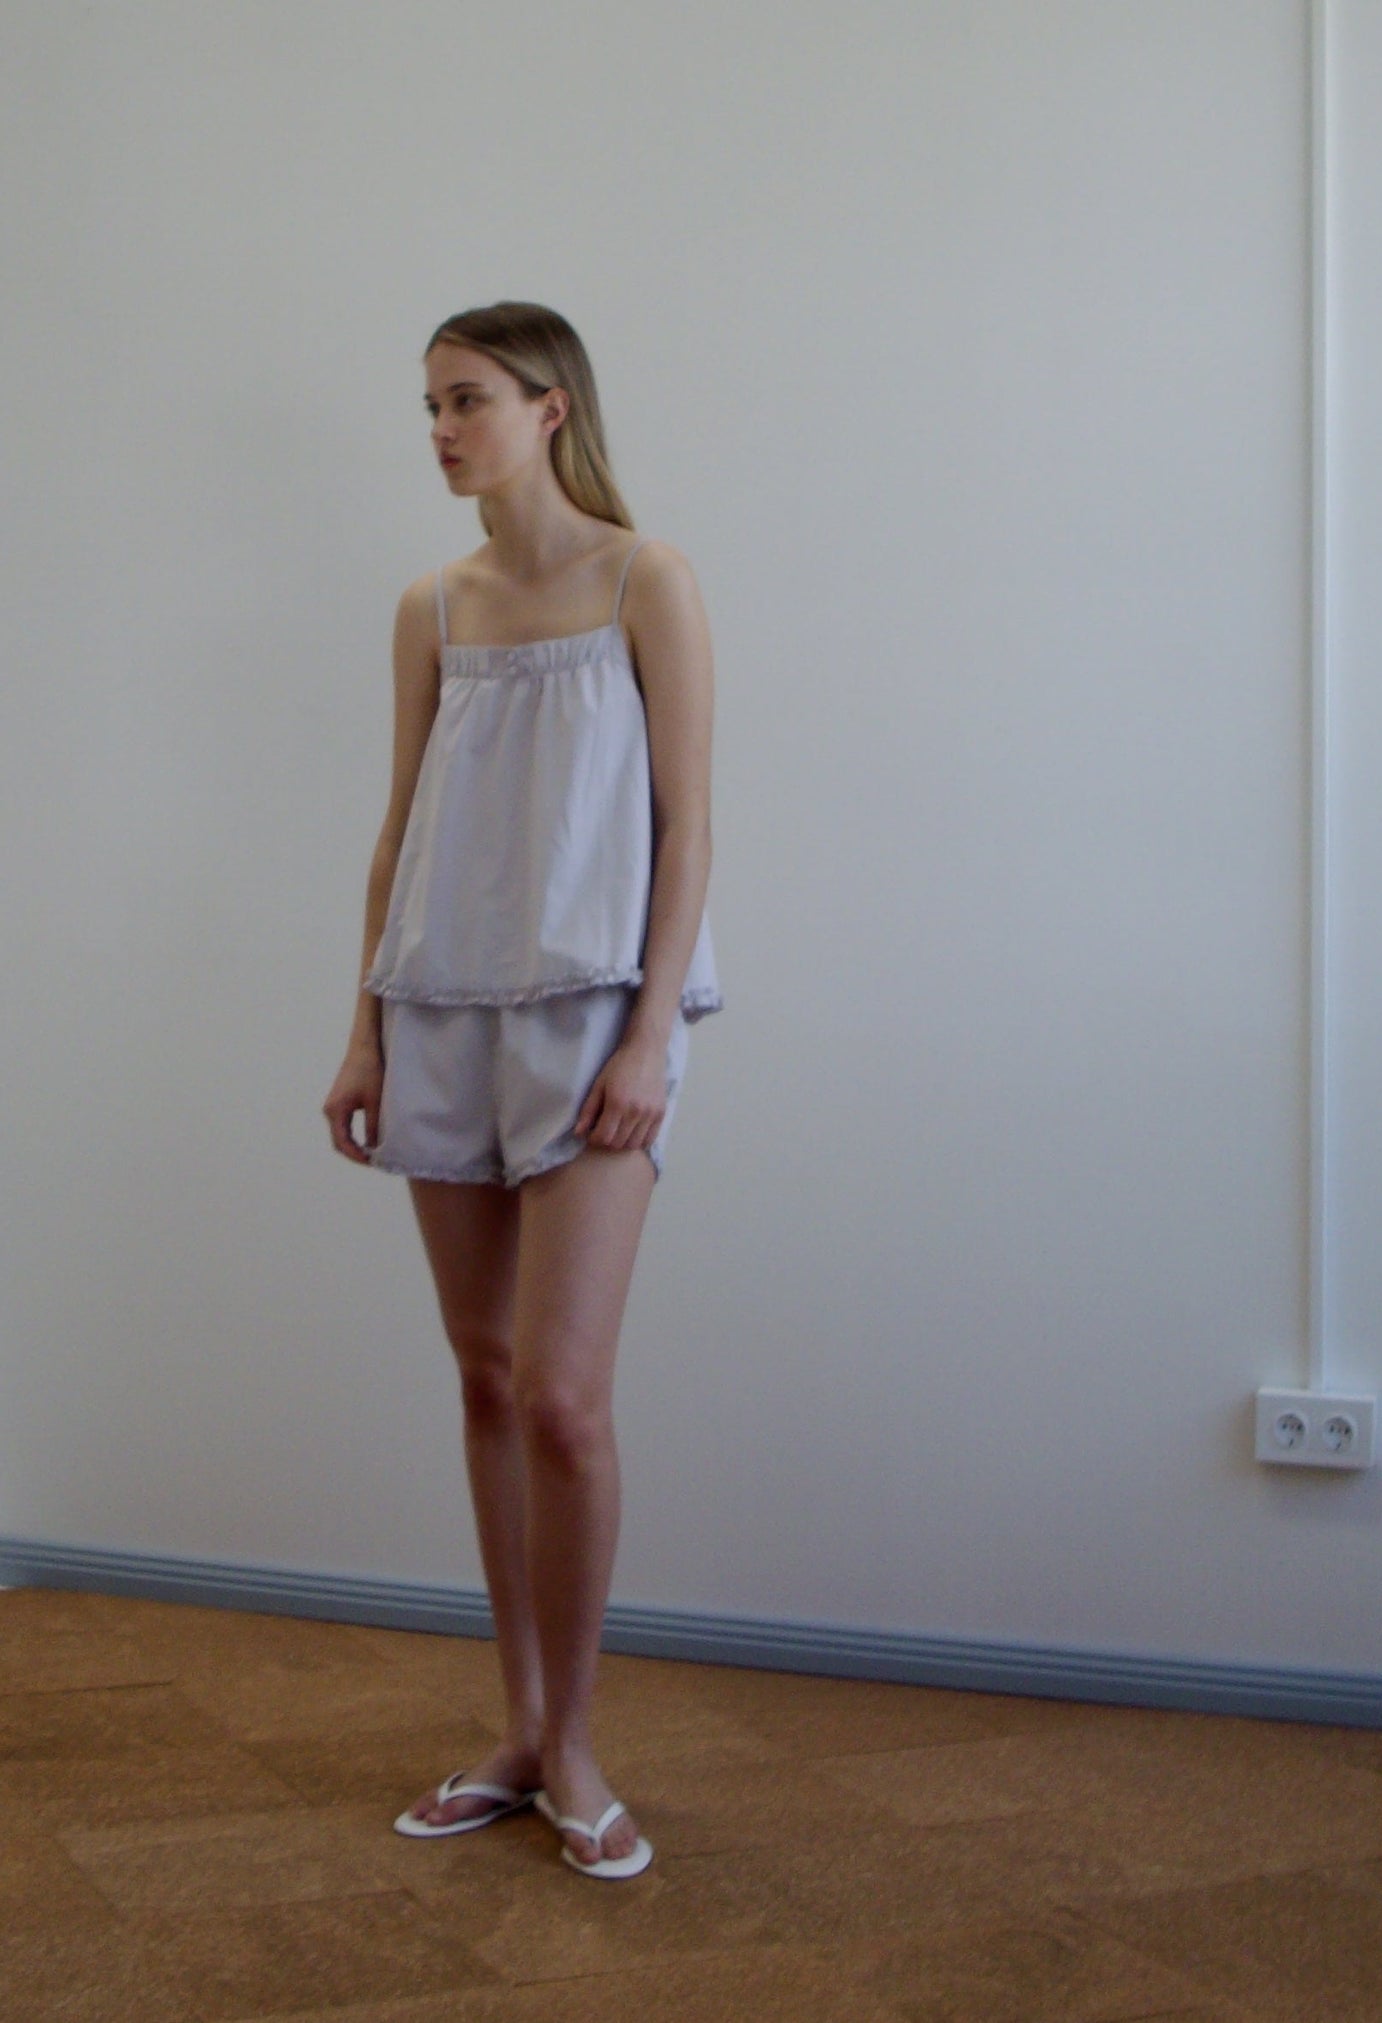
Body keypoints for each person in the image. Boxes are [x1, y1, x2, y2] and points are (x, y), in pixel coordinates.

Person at [321, 301, 723, 1880]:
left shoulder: (647, 579)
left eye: (466, 398)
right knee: (485, 1378)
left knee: (564, 1396)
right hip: (437, 1009)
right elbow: (398, 829)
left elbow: (689, 828)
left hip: (592, 1024)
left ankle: (577, 1744)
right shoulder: (432, 604)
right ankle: (516, 1724)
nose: (438, 428)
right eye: (427, 402)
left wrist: (645, 1040)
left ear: (550, 408)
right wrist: (361, 1032)